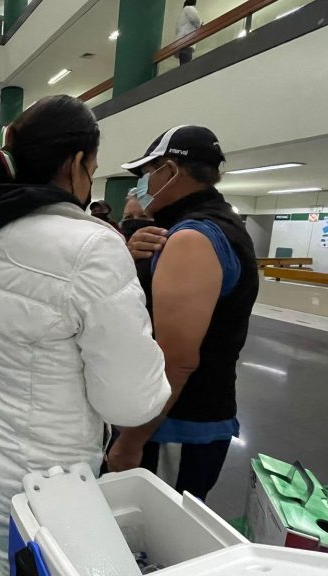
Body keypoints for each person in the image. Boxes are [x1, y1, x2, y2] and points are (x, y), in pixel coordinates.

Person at [0, 95, 170, 575]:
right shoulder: (93, 249)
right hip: (36, 483)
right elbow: (130, 403)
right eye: (93, 168)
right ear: (76, 163)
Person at [108, 125, 259, 502]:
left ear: (170, 171)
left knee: (151, 541)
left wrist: (132, 441)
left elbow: (177, 360)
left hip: (173, 424)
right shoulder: (204, 225)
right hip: (180, 415)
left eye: (146, 172)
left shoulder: (192, 238)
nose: (141, 183)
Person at [175, 0, 202, 65]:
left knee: (183, 64)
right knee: (186, 66)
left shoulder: (182, 14)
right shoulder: (189, 8)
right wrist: (201, 24)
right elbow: (196, 19)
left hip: (181, 43)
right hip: (187, 41)